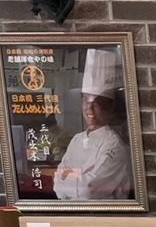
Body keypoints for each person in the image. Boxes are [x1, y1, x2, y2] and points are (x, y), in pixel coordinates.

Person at [54, 49, 133, 200]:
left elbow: (88, 191)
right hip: (73, 215)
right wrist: (80, 176)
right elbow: (57, 185)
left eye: (97, 102)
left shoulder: (113, 144)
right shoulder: (77, 139)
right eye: (85, 100)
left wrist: (69, 176)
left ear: (110, 107)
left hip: (105, 219)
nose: (89, 108)